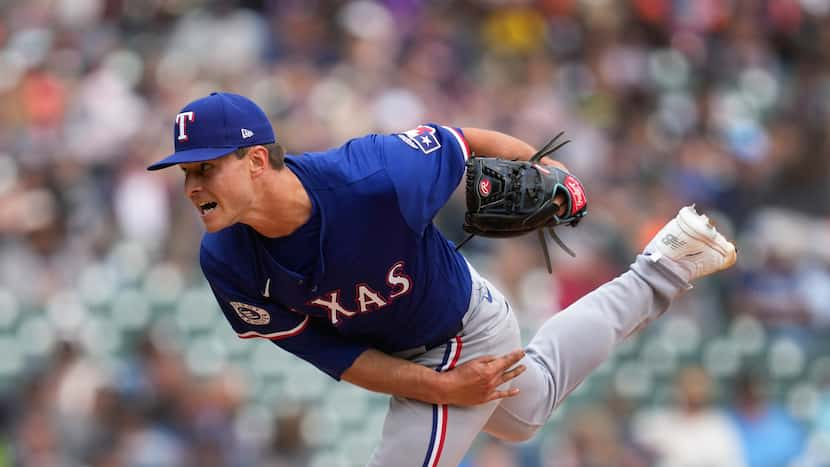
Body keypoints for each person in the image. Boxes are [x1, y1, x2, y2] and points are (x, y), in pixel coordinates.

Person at [148, 92, 737, 466]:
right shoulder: (224, 261)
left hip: (458, 329)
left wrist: (547, 168)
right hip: (418, 356)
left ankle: (664, 267)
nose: (192, 185)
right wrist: (438, 391)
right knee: (526, 413)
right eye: (184, 172)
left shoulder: (374, 176)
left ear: (255, 160)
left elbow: (463, 141)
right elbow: (332, 355)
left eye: (205, 167)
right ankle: (667, 265)